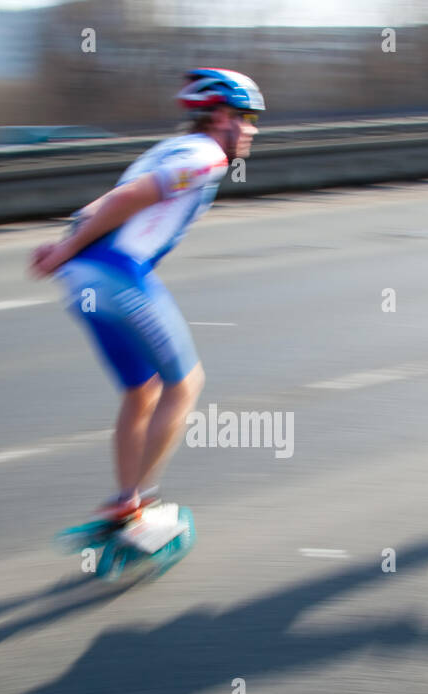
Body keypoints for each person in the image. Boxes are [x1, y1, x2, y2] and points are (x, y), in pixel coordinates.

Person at [31, 68, 262, 531]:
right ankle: (139, 504)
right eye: (246, 117)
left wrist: (66, 247)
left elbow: (101, 204)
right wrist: (65, 248)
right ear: (219, 117)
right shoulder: (205, 157)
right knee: (186, 384)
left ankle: (125, 501)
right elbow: (131, 198)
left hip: (84, 283)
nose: (253, 130)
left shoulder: (167, 149)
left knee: (141, 391)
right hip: (119, 274)